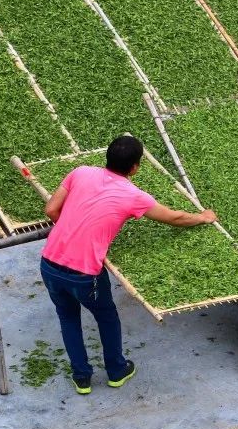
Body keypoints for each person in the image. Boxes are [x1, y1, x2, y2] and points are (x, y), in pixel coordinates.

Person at [39, 135, 217, 395]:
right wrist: (203, 217)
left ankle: (82, 377)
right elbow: (175, 218)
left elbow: (51, 210)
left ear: (107, 157)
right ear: (135, 167)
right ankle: (116, 371)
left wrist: (75, 229)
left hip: (49, 263)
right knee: (107, 317)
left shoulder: (80, 172)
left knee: (67, 317)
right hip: (84, 275)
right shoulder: (134, 195)